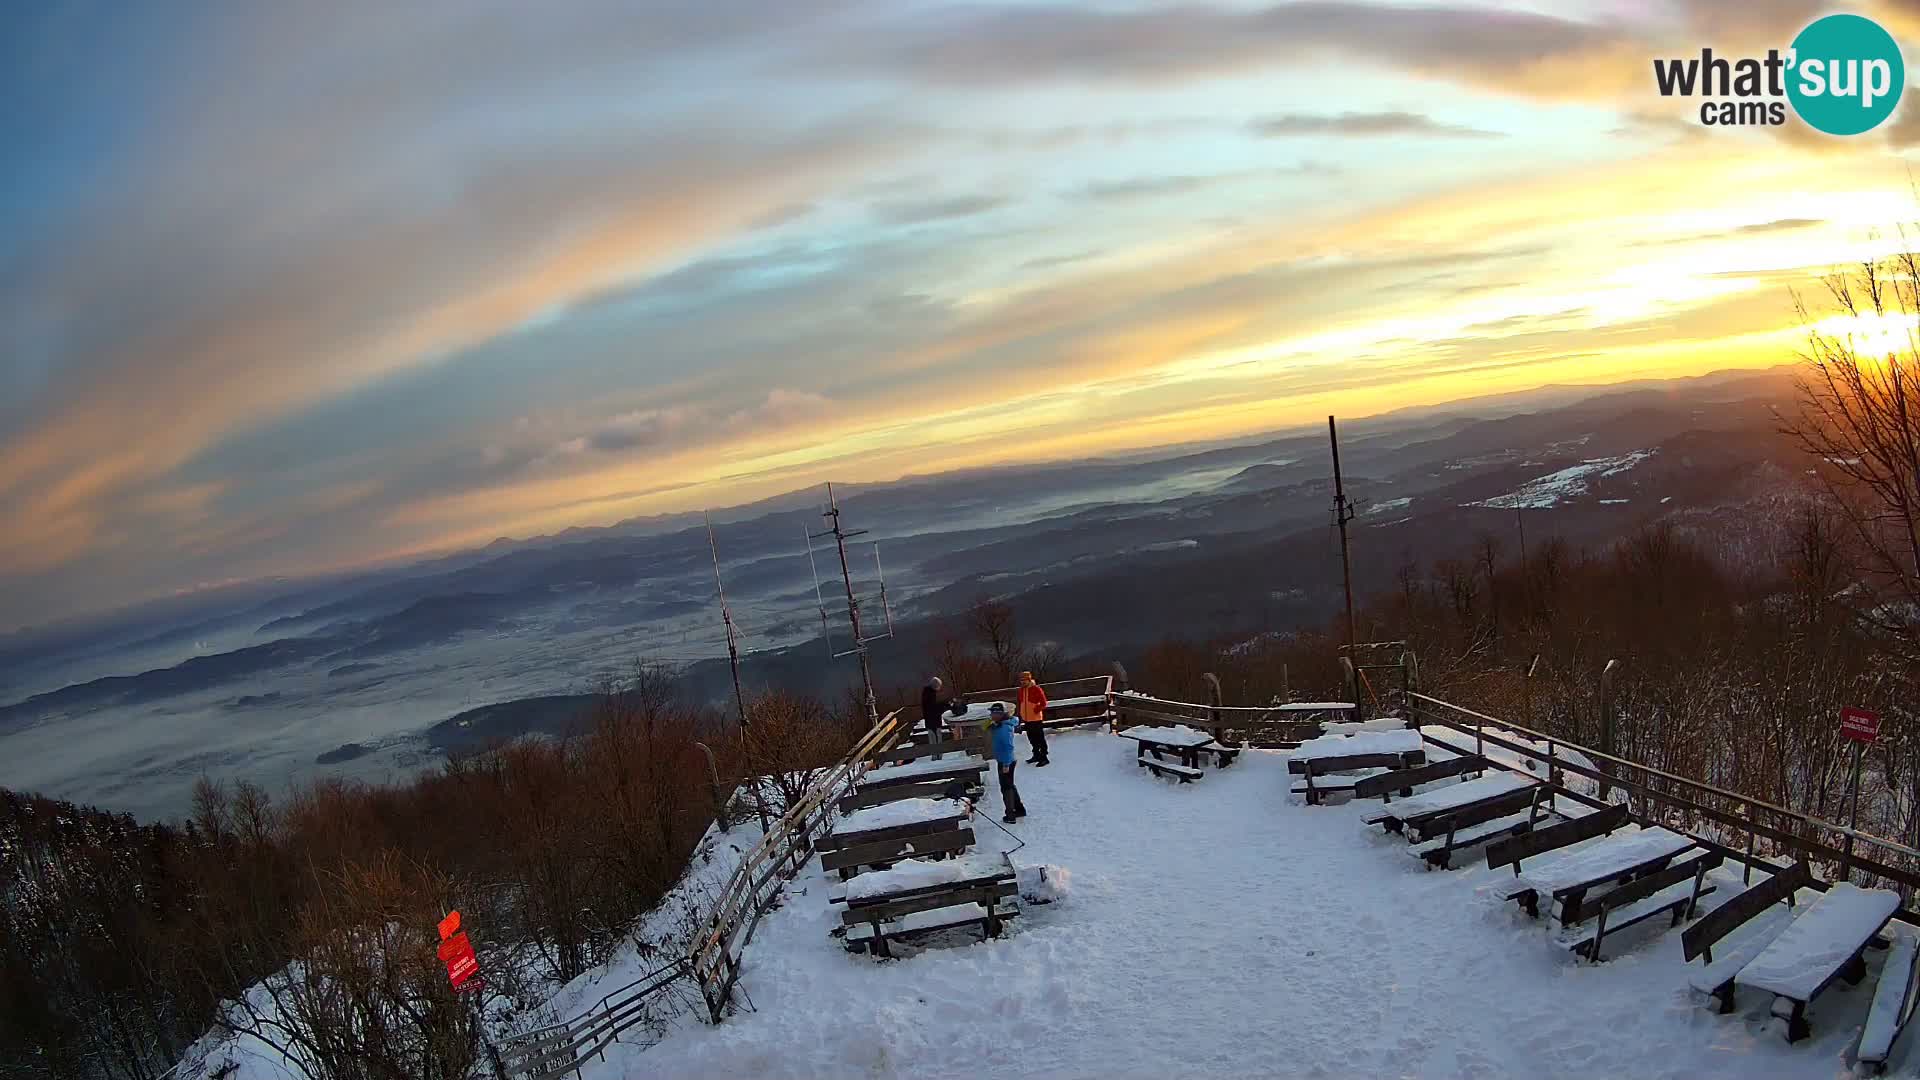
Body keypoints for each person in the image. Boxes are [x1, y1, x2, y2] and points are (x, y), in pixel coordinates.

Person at [986, 703, 1026, 824]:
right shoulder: (998, 725)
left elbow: (1008, 747)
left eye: (993, 713)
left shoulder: (1004, 728)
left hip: (1006, 761)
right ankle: (1019, 809)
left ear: (1000, 714)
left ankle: (1010, 815)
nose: (991, 715)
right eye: (991, 713)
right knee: (1010, 785)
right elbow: (984, 727)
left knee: (1006, 788)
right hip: (1003, 759)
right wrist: (990, 724)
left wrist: (1006, 764)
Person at [1015, 670, 1049, 766]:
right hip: (1027, 719)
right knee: (1032, 739)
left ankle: (1044, 757)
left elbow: (1044, 703)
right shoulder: (1021, 690)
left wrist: (1036, 709)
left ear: (1029, 680)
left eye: (1024, 680)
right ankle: (1036, 755)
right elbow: (1020, 703)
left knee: (1040, 738)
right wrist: (1020, 714)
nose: (1022, 682)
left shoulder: (1036, 689)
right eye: (1021, 680)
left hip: (1036, 719)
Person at [920, 676, 953, 751]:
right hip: (933, 720)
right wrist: (945, 705)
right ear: (936, 686)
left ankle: (936, 755)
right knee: (936, 740)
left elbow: (933, 706)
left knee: (934, 739)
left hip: (930, 720)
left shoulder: (927, 692)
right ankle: (937, 756)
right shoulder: (930, 694)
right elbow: (933, 708)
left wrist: (943, 704)